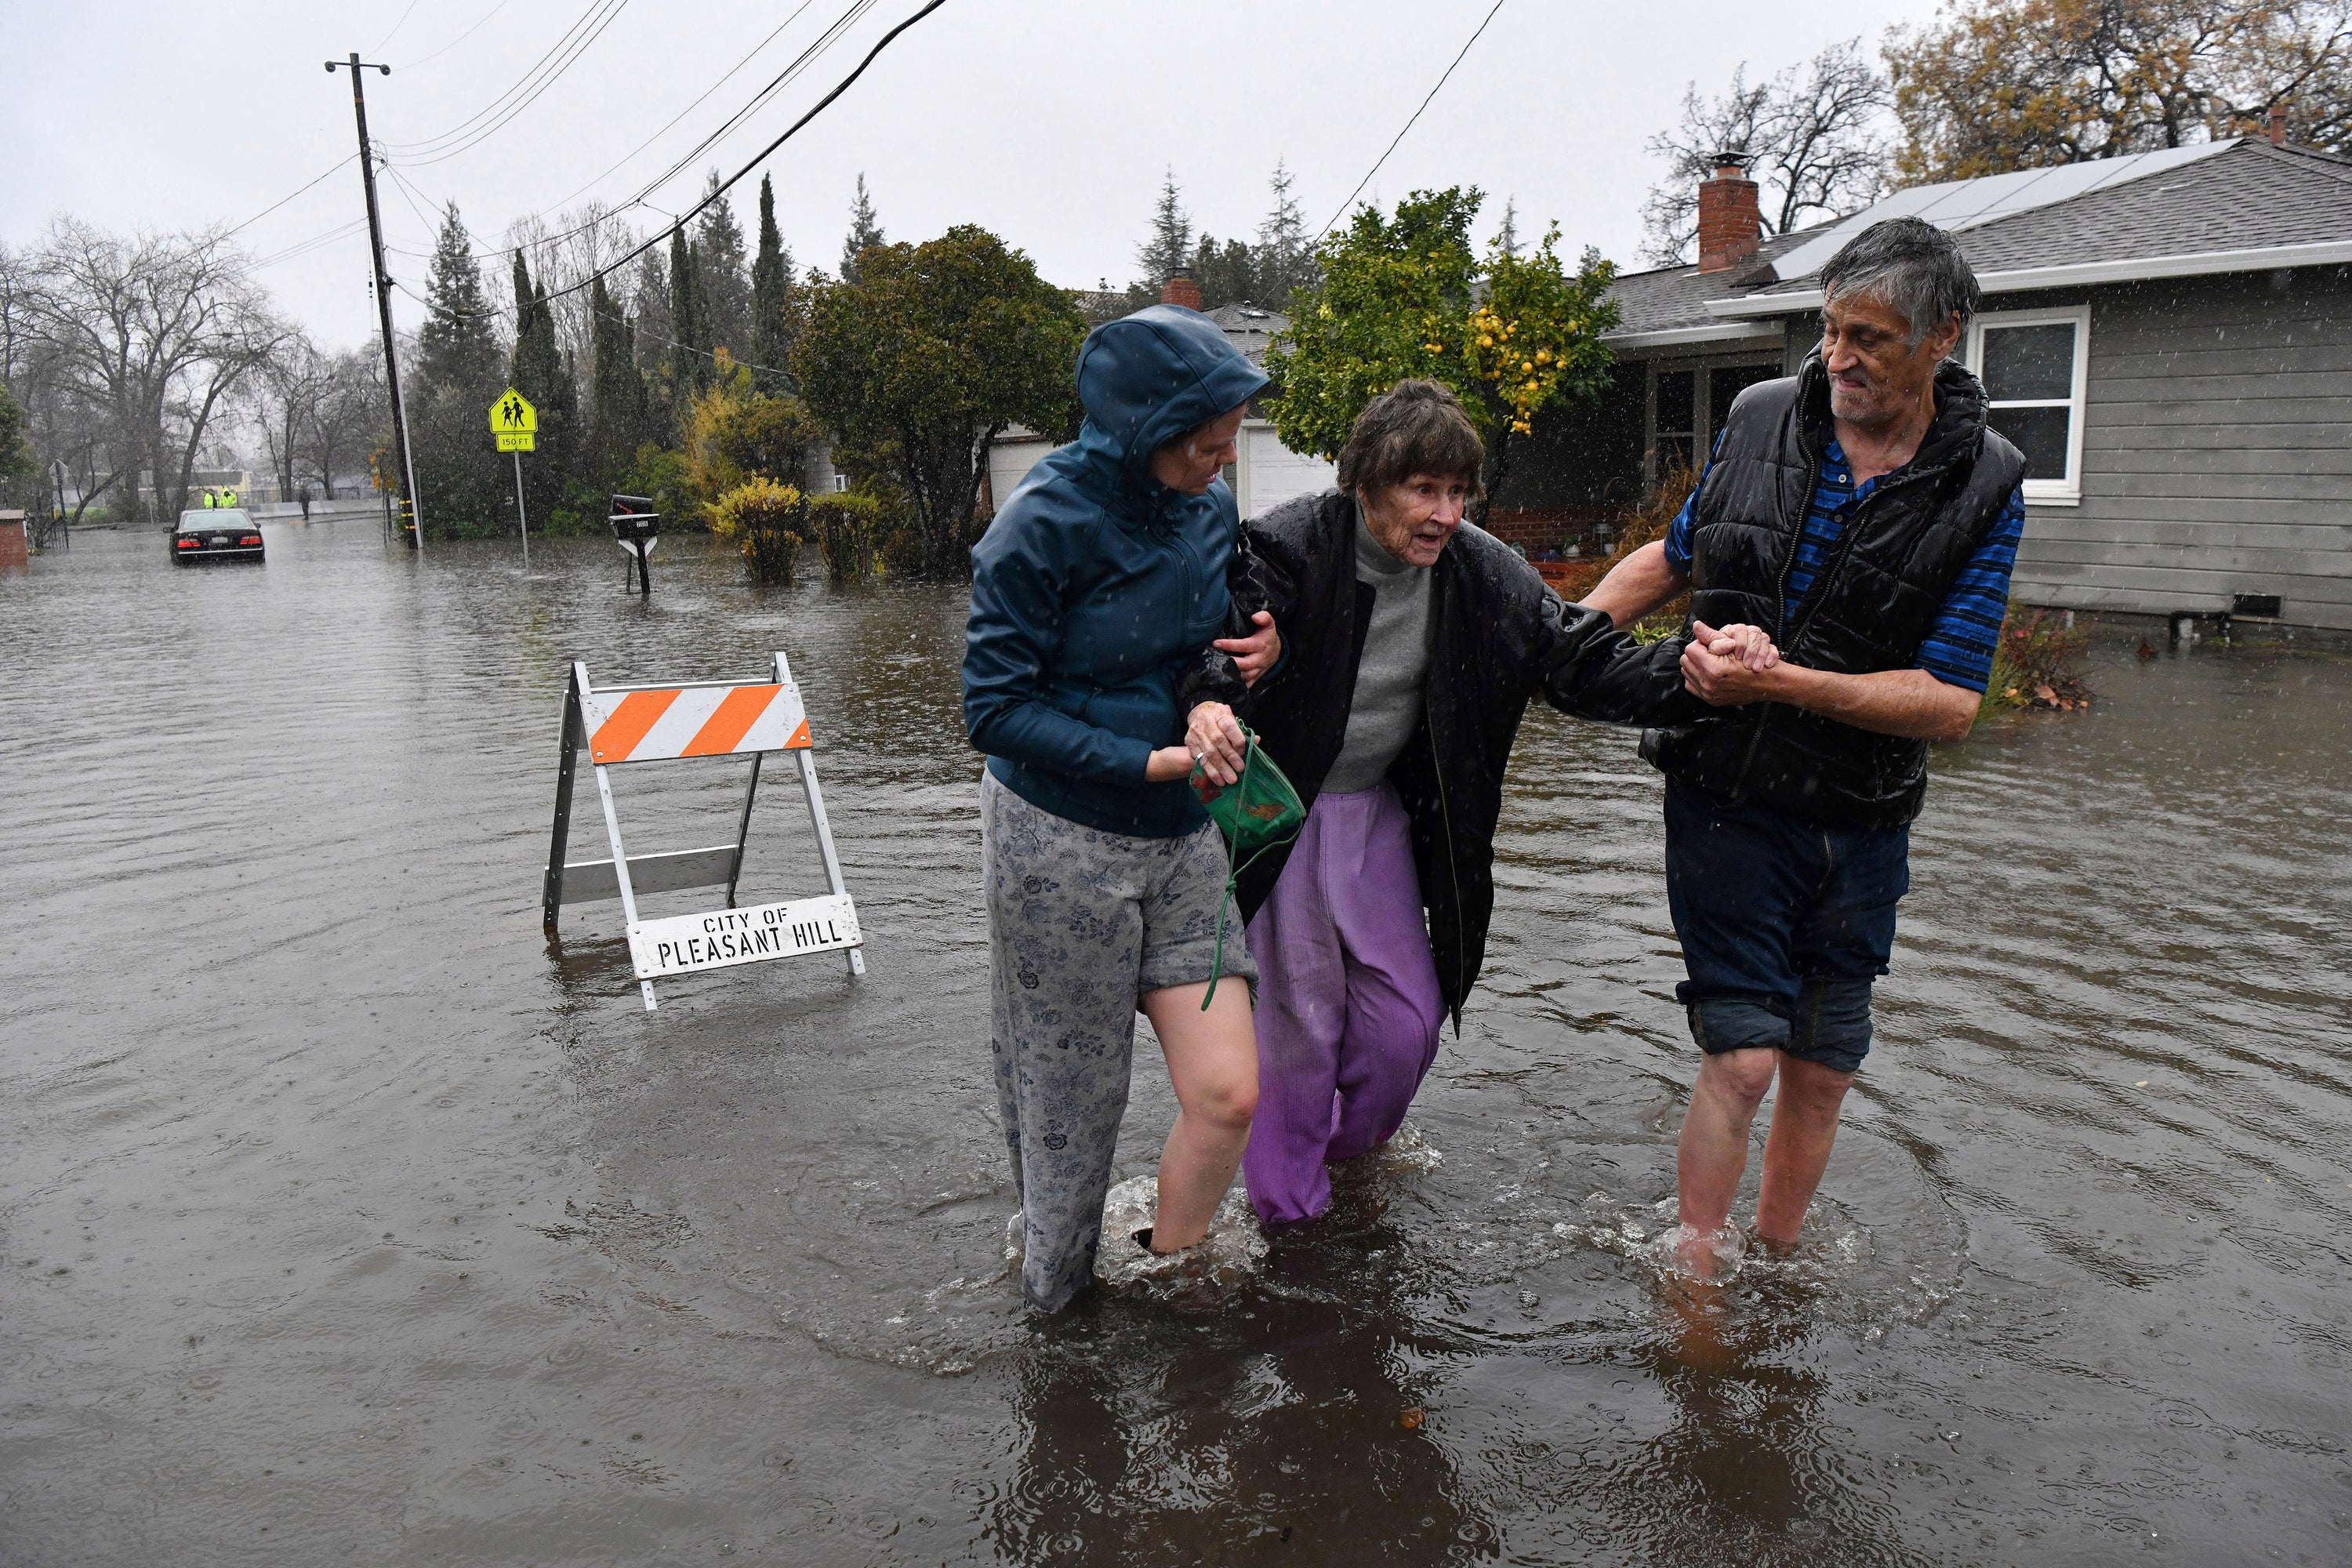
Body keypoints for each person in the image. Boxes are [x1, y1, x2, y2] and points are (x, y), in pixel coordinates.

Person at [1583, 217, 2027, 1273]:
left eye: (1869, 338)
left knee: (1822, 1071)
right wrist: (1558, 643)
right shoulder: (1760, 417)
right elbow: (1678, 554)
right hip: (1725, 795)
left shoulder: (1990, 485)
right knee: (1741, 1060)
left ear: (1942, 338)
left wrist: (1779, 677)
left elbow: (1952, 701)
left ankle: (1777, 1261)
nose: (1838, 360)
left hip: (1862, 823)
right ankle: (1696, 1274)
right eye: (1830, 332)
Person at [1184, 379, 1696, 1228]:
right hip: (1287, 816)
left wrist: (1696, 673)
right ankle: (1290, 1220)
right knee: (1299, 1034)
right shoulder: (1290, 547)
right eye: (1425, 490)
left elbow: (1575, 660)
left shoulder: (1483, 570)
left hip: (1380, 813)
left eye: (1459, 492)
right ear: (1366, 482)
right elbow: (1212, 642)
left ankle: (1344, 1167)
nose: (1446, 513)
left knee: (1407, 1023)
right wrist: (1219, 688)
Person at [964, 303, 1282, 1312]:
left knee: (1230, 1092)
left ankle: (1172, 1279)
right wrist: (1145, 759)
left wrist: (1227, 677)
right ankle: (1056, 1329)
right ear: (1145, 432)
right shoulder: (1036, 528)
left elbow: (1203, 639)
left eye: (1233, 442)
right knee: (1074, 1113)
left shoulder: (1207, 509)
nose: (1226, 463)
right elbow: (993, 708)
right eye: (1209, 444)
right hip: (1057, 841)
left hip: (1185, 831)